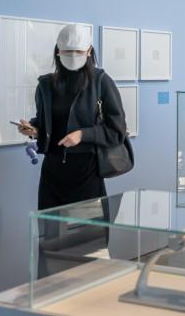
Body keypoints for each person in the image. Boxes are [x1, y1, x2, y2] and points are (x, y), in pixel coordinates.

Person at [18, 24, 127, 210]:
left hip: (87, 172)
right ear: (58, 51)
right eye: (67, 51)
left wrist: (83, 135)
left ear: (89, 51)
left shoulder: (101, 82)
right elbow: (46, 122)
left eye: (78, 51)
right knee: (49, 227)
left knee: (86, 228)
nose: (73, 56)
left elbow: (117, 131)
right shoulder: (46, 84)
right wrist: (34, 129)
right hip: (52, 172)